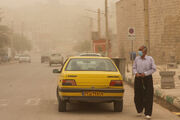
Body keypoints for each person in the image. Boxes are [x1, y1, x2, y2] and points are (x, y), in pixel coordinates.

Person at [133, 45, 156, 119]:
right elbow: (134, 67)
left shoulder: (150, 59)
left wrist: (145, 73)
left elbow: (153, 69)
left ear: (145, 51)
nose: (139, 51)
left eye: (140, 50)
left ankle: (148, 113)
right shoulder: (137, 59)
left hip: (147, 78)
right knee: (138, 95)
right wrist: (136, 73)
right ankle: (139, 110)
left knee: (148, 95)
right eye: (138, 50)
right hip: (138, 78)